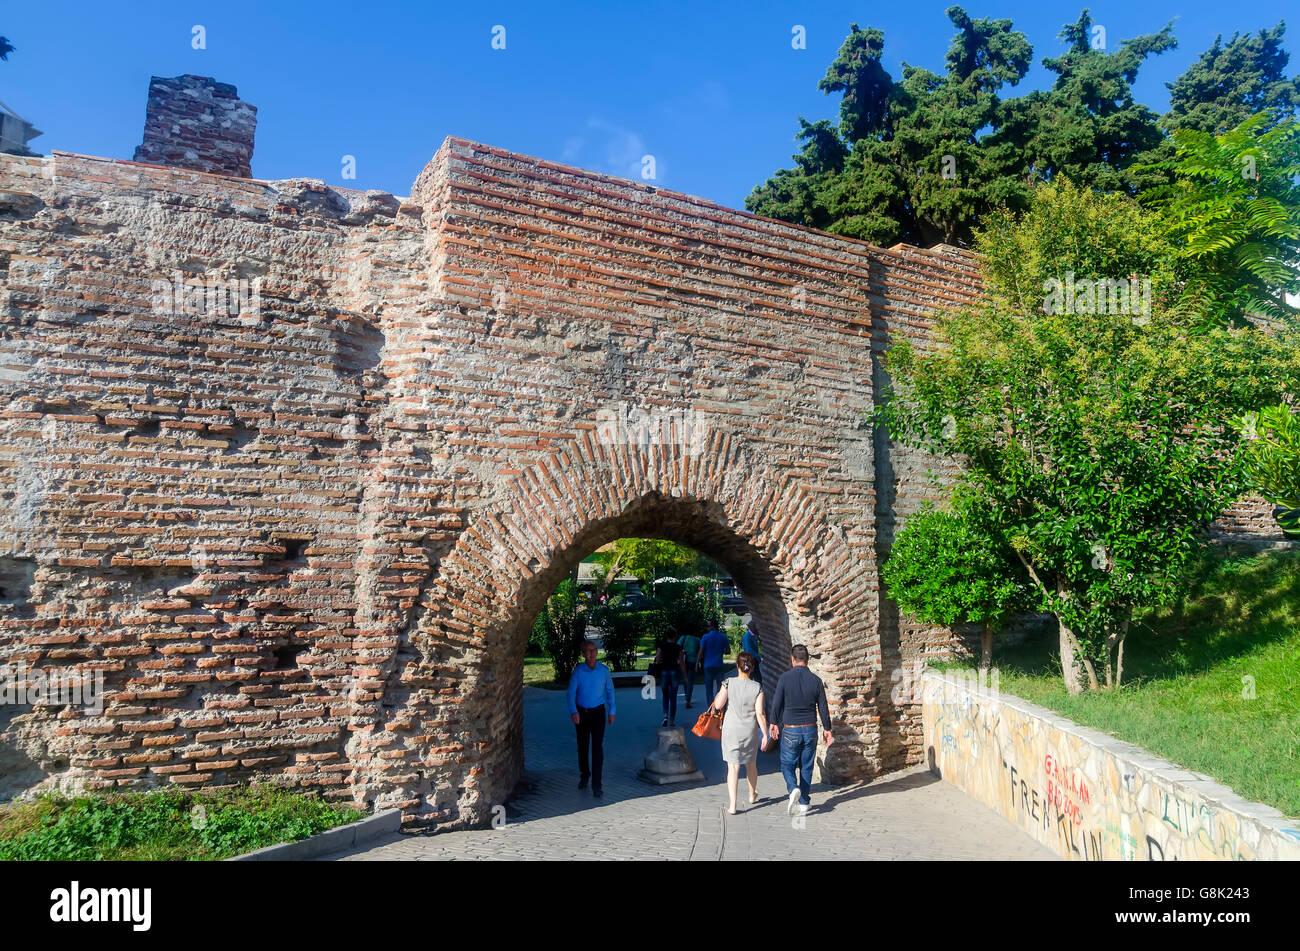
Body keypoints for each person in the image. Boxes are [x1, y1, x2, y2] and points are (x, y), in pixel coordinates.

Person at [768, 644, 833, 816]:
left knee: (787, 764)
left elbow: (777, 703)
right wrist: (828, 729)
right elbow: (823, 708)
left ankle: (793, 788)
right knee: (807, 766)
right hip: (810, 729)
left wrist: (773, 722)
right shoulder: (816, 680)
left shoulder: (784, 678)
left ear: (792, 658)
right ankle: (804, 801)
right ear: (807, 659)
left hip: (791, 729)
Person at [712, 651, 769, 814]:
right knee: (751, 764)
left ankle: (732, 805)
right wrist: (764, 735)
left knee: (733, 767)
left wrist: (721, 691)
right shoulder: (757, 687)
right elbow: (760, 713)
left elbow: (718, 705)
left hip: (731, 730)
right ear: (751, 668)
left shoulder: (728, 683)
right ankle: (752, 795)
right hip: (749, 731)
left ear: (737, 666)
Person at [567, 640, 616, 798]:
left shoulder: (603, 671)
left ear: (596, 652)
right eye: (587, 651)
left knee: (597, 748)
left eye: (593, 650)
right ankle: (584, 774)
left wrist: (612, 710)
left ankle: (597, 784)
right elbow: (570, 693)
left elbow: (610, 691)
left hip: (598, 713)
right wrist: (574, 711)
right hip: (582, 713)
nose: (591, 653)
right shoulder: (579, 672)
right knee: (582, 746)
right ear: (583, 654)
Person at [652, 635, 688, 727]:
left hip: (664, 672)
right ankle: (672, 720)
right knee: (673, 697)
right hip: (674, 672)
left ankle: (665, 716)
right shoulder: (677, 647)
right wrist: (685, 677)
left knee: (665, 695)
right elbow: (681, 662)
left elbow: (658, 659)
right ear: (674, 636)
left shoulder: (662, 646)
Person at [698, 619, 728, 705]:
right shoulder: (723, 637)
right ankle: (719, 706)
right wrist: (720, 651)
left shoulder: (705, 637)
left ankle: (710, 707)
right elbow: (728, 651)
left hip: (708, 665)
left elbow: (701, 651)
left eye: (708, 626)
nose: (707, 628)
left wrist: (697, 663)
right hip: (719, 664)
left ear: (712, 626)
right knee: (720, 688)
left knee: (709, 688)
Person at [677, 629, 701, 708]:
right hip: (693, 661)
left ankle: (686, 698)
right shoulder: (697, 639)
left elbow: (677, 646)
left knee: (685, 679)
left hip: (684, 660)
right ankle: (688, 699)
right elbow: (699, 651)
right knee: (690, 680)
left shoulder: (683, 638)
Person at [741, 619, 762, 685]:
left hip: (753, 660)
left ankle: (757, 692)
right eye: (756, 627)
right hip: (750, 661)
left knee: (758, 679)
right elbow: (749, 650)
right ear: (752, 627)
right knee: (750, 678)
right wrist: (758, 657)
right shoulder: (747, 637)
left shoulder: (753, 635)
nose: (758, 629)